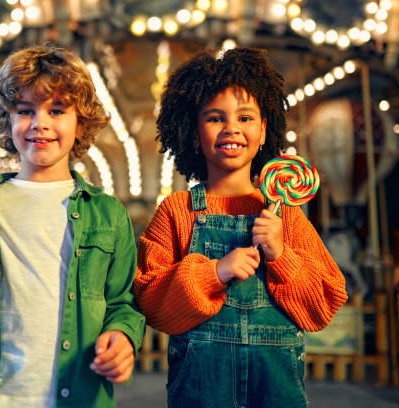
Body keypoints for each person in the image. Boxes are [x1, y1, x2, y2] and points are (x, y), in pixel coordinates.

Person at [133, 47, 348, 408]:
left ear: (264, 131)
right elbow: (151, 301)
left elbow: (325, 303)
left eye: (245, 118)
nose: (232, 127)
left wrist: (281, 255)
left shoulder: (286, 215)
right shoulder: (177, 211)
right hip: (201, 391)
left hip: (276, 391)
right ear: (193, 130)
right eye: (215, 117)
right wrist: (214, 272)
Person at [0, 44, 145, 408]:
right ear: (7, 118)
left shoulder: (109, 213)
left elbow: (124, 303)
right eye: (24, 110)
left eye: (57, 110)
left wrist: (122, 337)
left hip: (81, 395)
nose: (40, 123)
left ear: (80, 120)